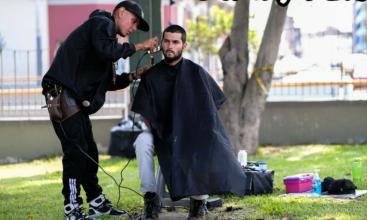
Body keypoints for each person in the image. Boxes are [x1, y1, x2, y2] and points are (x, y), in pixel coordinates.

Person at [41, 1, 158, 219]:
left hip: (73, 100)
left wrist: (136, 74)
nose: (133, 29)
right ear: (121, 12)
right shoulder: (101, 24)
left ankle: (96, 201)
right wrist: (140, 46)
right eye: (133, 22)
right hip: (62, 96)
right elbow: (109, 52)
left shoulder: (103, 40)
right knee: (76, 153)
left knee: (89, 153)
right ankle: (72, 207)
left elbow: (108, 81)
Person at [132, 25, 246, 219]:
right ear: (161, 43)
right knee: (142, 142)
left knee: (204, 141)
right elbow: (146, 115)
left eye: (175, 42)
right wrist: (164, 130)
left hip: (192, 132)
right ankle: (151, 198)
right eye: (166, 41)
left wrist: (189, 126)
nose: (170, 46)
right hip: (161, 133)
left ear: (184, 45)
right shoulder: (151, 76)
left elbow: (211, 107)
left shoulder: (196, 72)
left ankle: (199, 201)